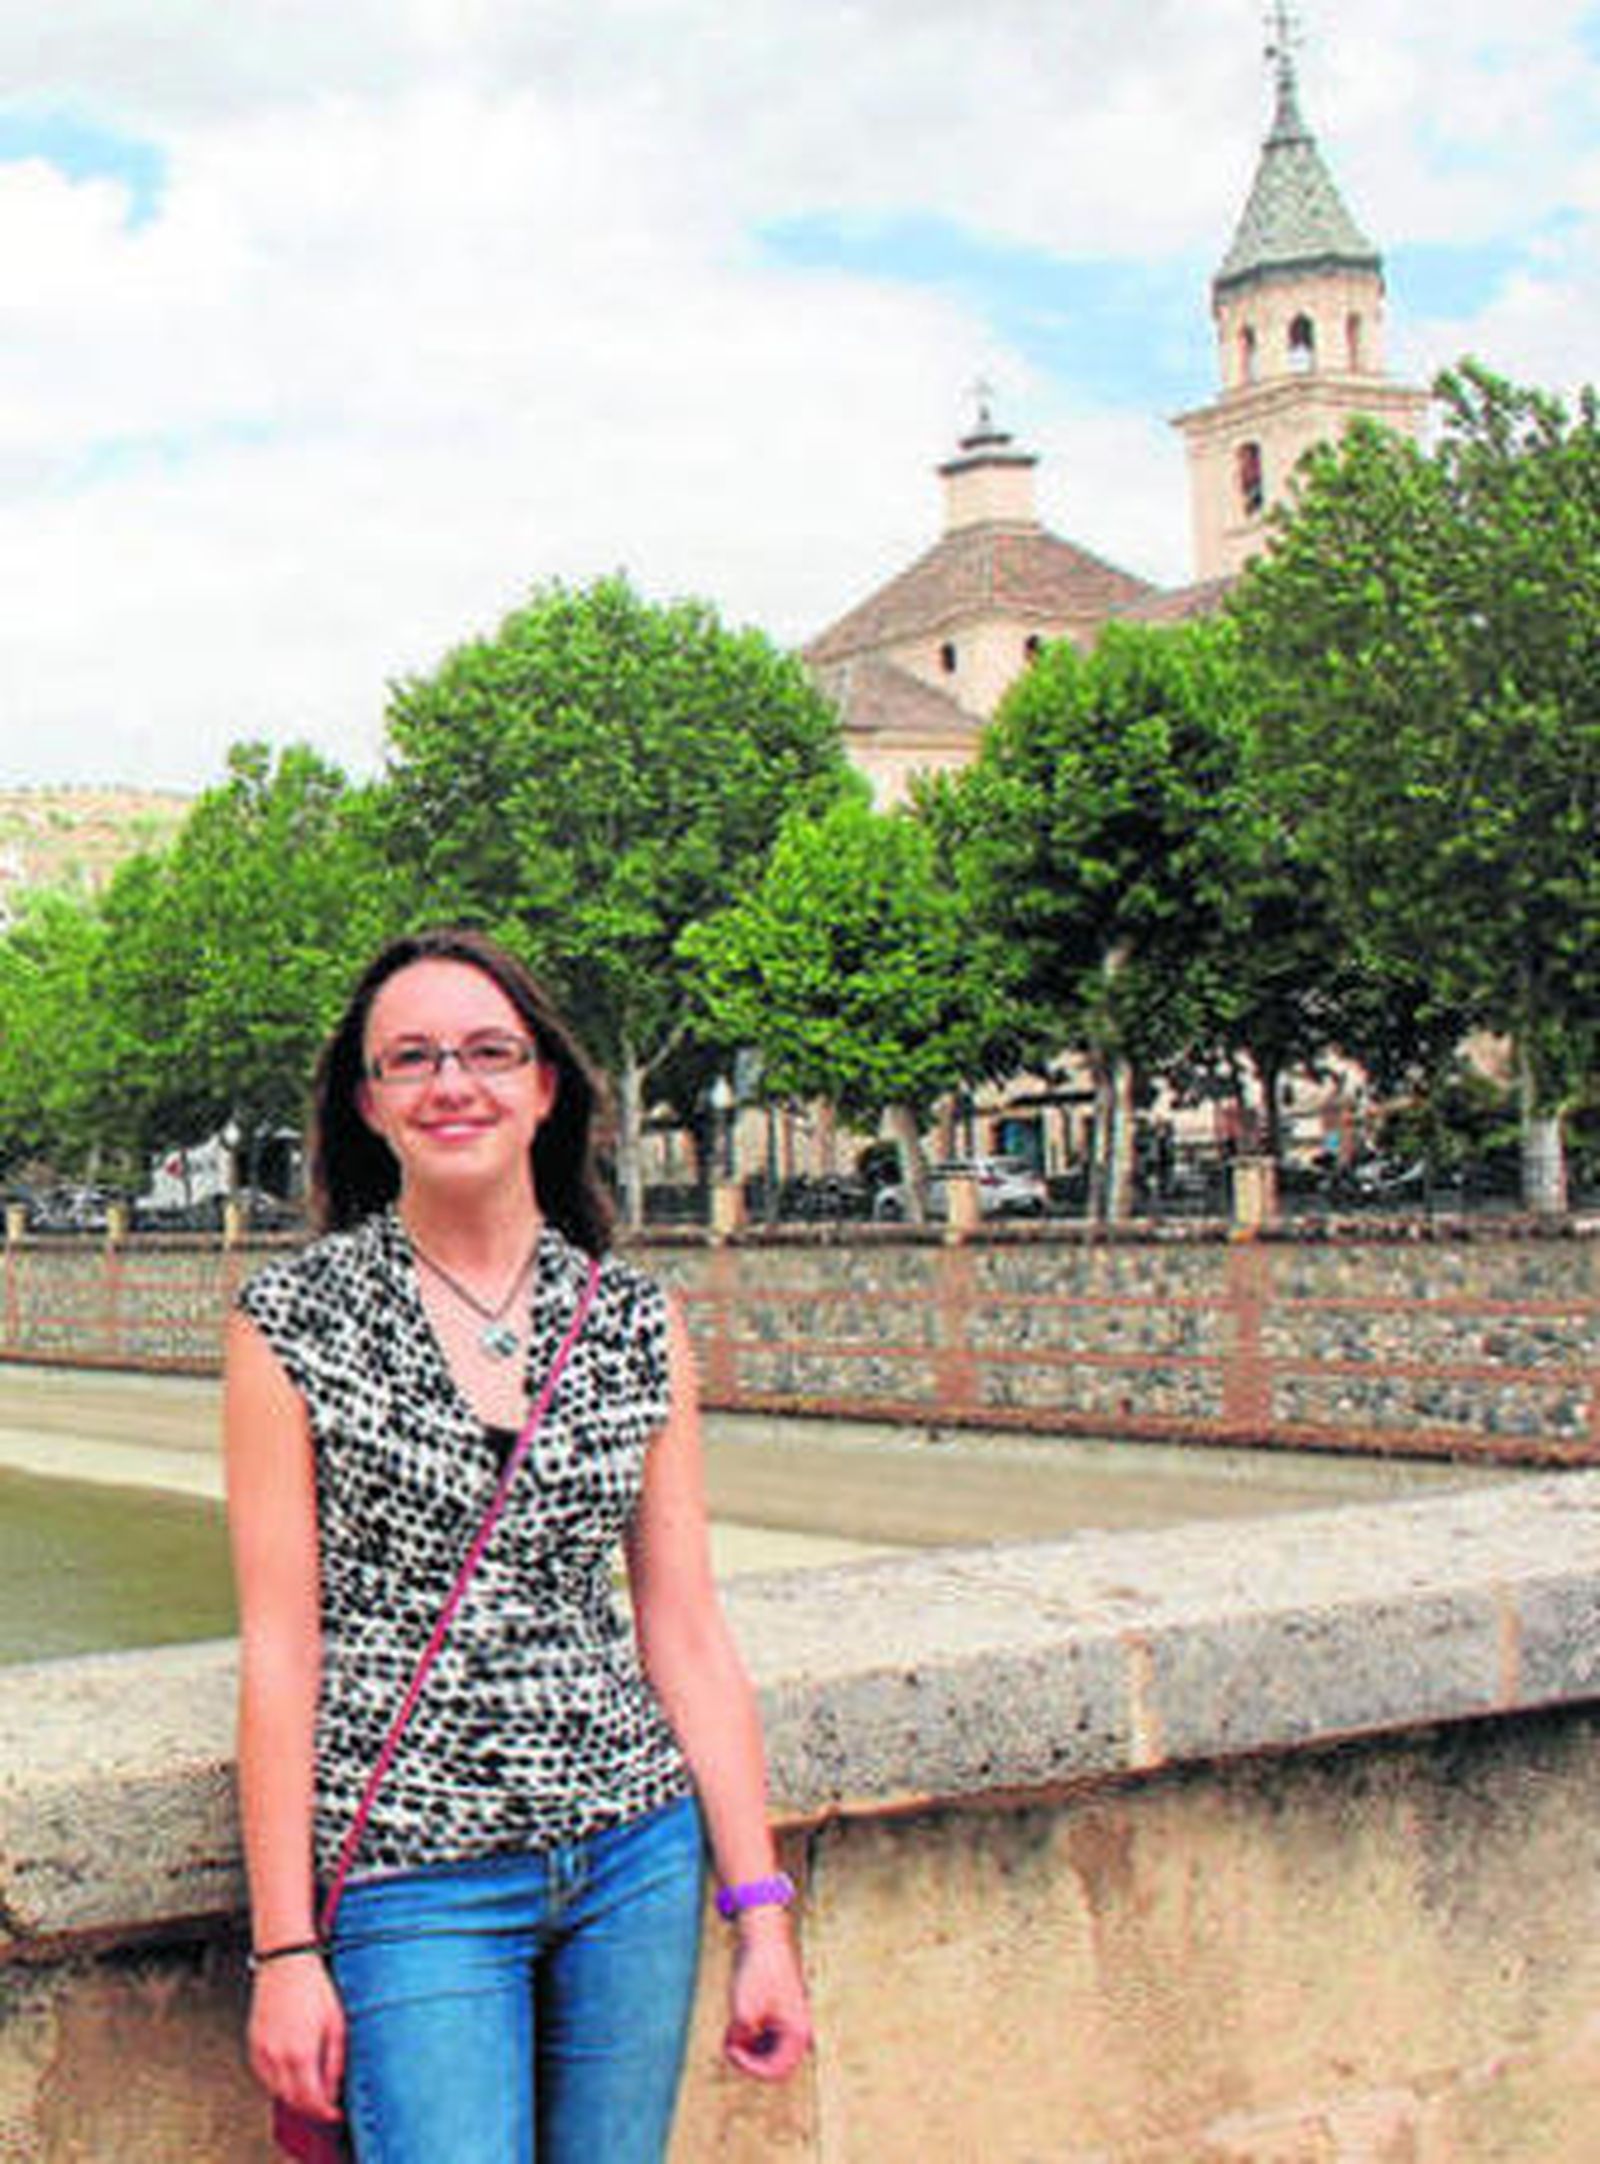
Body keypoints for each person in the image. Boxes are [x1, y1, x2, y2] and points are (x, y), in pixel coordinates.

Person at [226, 925, 811, 2163]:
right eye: (413, 1058)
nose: (454, 1084)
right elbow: (282, 1650)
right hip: (412, 1878)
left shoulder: (633, 1321)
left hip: (634, 1856)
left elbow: (686, 1628)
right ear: (369, 1101)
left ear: (546, 1086)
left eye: (490, 1051)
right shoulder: (292, 1320)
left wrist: (759, 1914)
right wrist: (284, 1949)